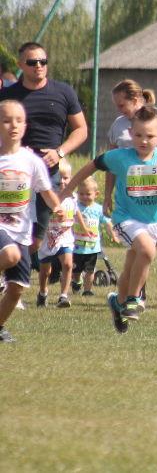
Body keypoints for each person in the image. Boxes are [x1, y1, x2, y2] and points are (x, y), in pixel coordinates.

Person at [61, 106, 157, 332]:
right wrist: (69, 189)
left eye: (149, 136)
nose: (143, 141)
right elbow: (93, 165)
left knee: (130, 268)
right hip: (125, 218)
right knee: (148, 251)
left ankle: (117, 303)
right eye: (138, 135)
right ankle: (131, 301)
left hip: (153, 222)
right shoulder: (121, 156)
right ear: (130, 133)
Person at [4, 43, 88, 253]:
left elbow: (81, 130)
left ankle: (12, 265)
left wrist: (59, 152)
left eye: (43, 61)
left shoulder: (63, 91)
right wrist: (18, 151)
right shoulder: (8, 96)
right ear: (21, 64)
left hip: (49, 172)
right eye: (32, 62)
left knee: (37, 239)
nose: (39, 66)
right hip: (15, 172)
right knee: (9, 229)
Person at [0, 100, 62, 343]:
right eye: (6, 120)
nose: (13, 125)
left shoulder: (32, 161)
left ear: (25, 126)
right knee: (11, 256)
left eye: (18, 120)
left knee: (17, 288)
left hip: (21, 232)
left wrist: (56, 206)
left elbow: (45, 190)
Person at [36, 158, 82, 309]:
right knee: (45, 271)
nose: (63, 182)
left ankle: (64, 295)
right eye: (60, 178)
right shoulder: (47, 198)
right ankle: (43, 293)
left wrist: (84, 227)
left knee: (68, 264)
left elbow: (76, 212)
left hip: (65, 237)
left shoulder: (73, 197)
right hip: (48, 238)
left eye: (67, 178)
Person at [72, 176, 117, 296]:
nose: (84, 197)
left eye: (88, 194)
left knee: (90, 270)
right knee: (76, 270)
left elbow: (107, 223)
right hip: (76, 247)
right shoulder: (75, 208)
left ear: (96, 194)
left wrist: (114, 235)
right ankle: (77, 280)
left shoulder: (99, 209)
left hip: (92, 247)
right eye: (81, 194)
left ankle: (87, 290)